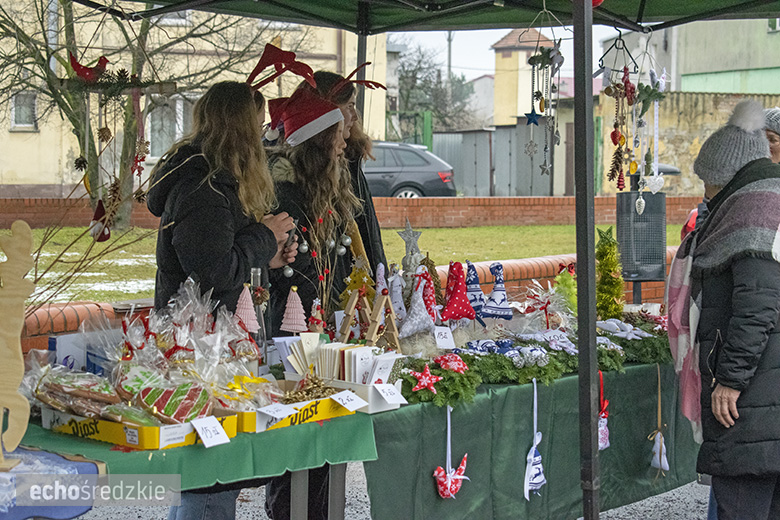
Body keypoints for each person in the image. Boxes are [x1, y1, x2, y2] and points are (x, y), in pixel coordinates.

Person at [146, 80, 296, 520]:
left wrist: (265, 255)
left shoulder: (216, 184)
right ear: (240, 129)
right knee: (210, 475)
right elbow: (213, 273)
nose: (264, 132)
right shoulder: (202, 188)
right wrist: (263, 236)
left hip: (214, 345)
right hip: (200, 349)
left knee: (210, 476)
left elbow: (225, 258)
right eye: (258, 124)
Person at [685, 100, 780, 520]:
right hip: (766, 395)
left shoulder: (754, 211)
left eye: (708, 180)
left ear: (727, 174)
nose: (706, 191)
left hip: (756, 398)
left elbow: (756, 305)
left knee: (742, 505)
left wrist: (730, 380)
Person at [298, 69, 388, 276]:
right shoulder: (309, 170)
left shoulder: (351, 158)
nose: (355, 116)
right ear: (325, 112)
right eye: (349, 107)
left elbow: (366, 229)